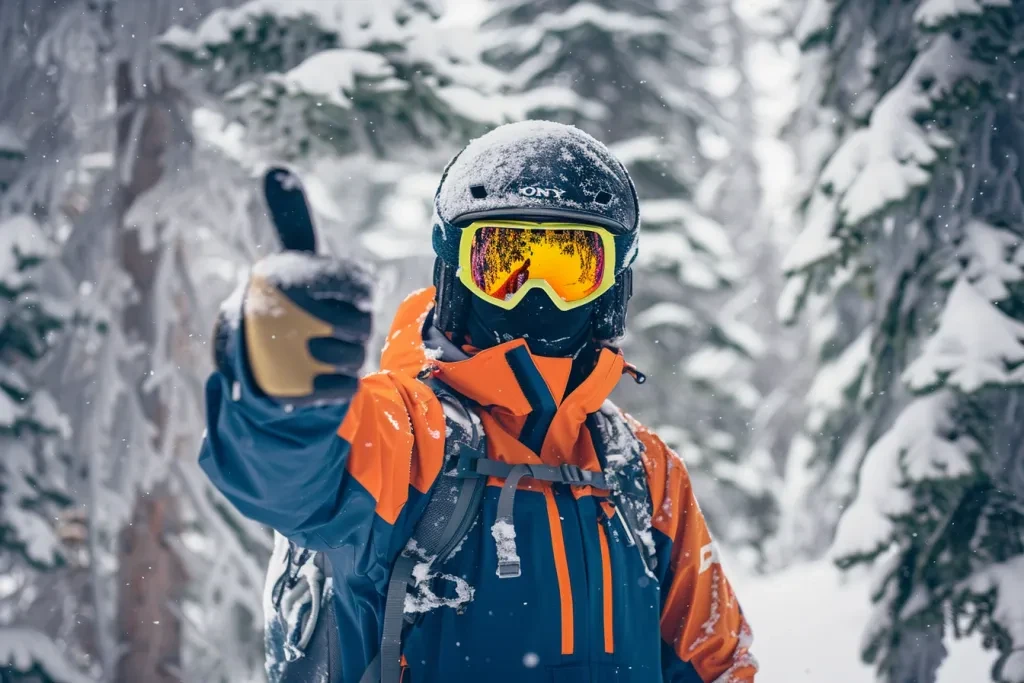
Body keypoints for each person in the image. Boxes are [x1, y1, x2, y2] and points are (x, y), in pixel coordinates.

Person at [200, 121, 758, 683]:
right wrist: (280, 396)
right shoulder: (409, 434)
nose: (535, 291)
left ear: (612, 284)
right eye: (504, 263)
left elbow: (720, 663)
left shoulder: (642, 470)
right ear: (455, 273)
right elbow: (287, 476)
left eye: (570, 266)